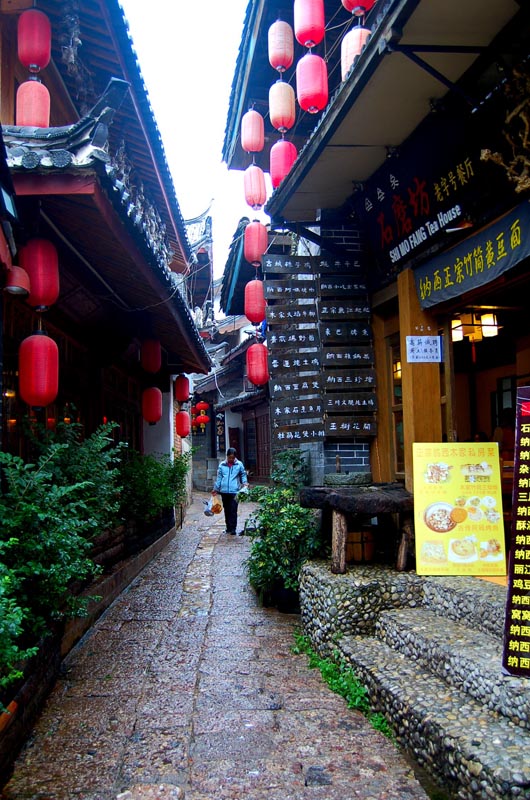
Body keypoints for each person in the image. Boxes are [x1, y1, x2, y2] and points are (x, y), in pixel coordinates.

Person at [212, 448, 249, 535]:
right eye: (229, 457)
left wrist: (245, 483)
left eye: (232, 458)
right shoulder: (222, 465)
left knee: (233, 510)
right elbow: (219, 478)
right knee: (227, 510)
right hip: (224, 491)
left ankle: (233, 529)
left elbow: (243, 474)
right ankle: (228, 527)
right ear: (227, 456)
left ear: (235, 457)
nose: (231, 459)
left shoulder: (239, 464)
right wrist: (215, 489)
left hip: (234, 491)